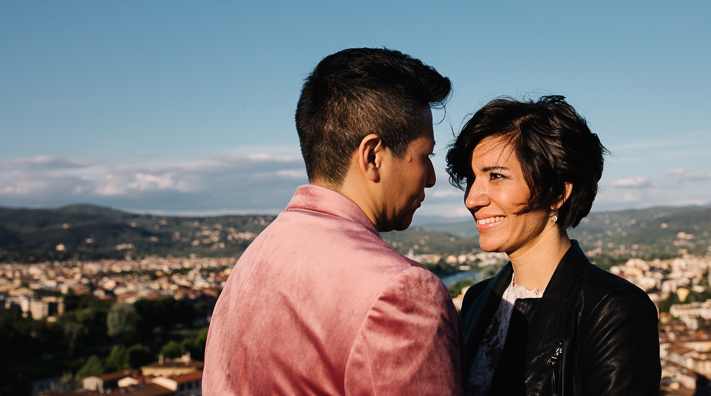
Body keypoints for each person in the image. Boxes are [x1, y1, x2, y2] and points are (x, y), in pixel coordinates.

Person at [204, 47, 463, 395]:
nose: (431, 178)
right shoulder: (402, 294)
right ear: (373, 156)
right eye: (426, 156)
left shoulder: (247, 268)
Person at [445, 95, 660, 396]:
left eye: (496, 176)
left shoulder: (612, 310)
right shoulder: (478, 299)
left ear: (558, 193)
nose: (472, 199)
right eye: (472, 178)